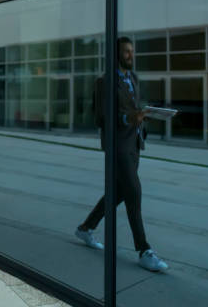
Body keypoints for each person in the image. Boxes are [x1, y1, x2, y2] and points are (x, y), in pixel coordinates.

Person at [74, 37, 168, 272]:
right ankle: (144, 250)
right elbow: (102, 117)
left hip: (134, 144)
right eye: (126, 52)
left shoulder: (133, 79)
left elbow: (131, 108)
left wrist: (142, 115)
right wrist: (128, 118)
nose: (130, 55)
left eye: (132, 51)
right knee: (134, 192)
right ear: (116, 54)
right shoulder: (104, 82)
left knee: (117, 193)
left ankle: (85, 228)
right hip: (117, 146)